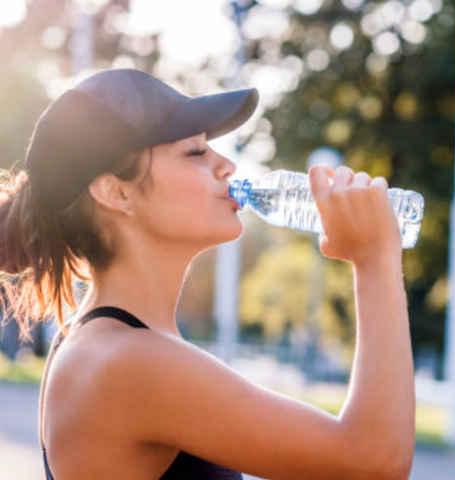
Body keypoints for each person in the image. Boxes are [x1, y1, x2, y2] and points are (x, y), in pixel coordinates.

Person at [0, 68, 415, 480]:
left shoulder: (106, 343)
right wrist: (375, 260)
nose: (228, 165)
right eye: (196, 153)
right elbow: (372, 462)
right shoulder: (128, 361)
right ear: (116, 192)